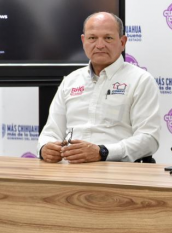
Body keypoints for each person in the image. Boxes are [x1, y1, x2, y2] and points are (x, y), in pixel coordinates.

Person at [38, 12, 160, 163]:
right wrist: (45, 148)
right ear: (83, 41)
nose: (100, 45)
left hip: (117, 170)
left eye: (108, 38)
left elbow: (149, 139)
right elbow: (50, 132)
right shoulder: (70, 81)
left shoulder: (140, 80)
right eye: (92, 38)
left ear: (122, 42)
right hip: (70, 169)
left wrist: (103, 152)